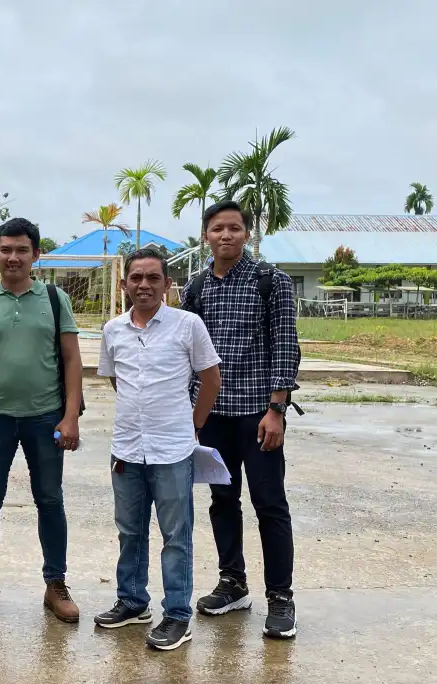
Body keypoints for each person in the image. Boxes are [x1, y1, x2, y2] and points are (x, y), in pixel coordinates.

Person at [182, 200, 300, 639]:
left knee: (270, 504)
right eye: (217, 229)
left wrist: (277, 409)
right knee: (222, 502)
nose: (226, 235)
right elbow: (189, 353)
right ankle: (233, 582)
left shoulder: (272, 281)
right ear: (206, 236)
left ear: (246, 234)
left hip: (258, 414)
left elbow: (286, 345)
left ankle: (281, 598)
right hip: (212, 415)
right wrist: (190, 415)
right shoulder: (195, 288)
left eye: (234, 228)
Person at [94, 247, 222, 651]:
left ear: (168, 284)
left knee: (175, 536)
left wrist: (193, 425)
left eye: (153, 278)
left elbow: (210, 379)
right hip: (127, 450)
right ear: (124, 284)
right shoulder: (113, 330)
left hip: (173, 450)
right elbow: (118, 381)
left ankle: (178, 615)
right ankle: (133, 602)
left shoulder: (188, 325)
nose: (144, 285)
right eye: (136, 278)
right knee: (129, 531)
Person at [0, 218, 83, 622]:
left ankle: (56, 584)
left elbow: (71, 359)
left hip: (45, 418)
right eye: (6, 249)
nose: (13, 257)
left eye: (22, 250)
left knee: (50, 499)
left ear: (35, 255)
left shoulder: (54, 298)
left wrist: (70, 416)